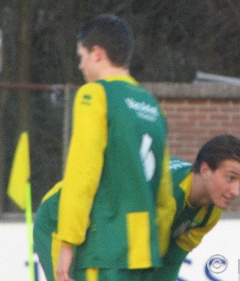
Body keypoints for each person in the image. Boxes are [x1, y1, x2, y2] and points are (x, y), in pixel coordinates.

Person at [33, 14, 173, 281]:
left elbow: (82, 174)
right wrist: (155, 249)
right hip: (145, 257)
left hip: (104, 251)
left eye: (81, 56)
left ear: (98, 53)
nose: (81, 66)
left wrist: (66, 243)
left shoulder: (95, 95)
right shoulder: (153, 107)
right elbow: (164, 198)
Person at [155, 134, 240, 281]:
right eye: (230, 178)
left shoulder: (213, 208)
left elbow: (171, 264)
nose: (236, 192)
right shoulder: (167, 194)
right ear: (205, 170)